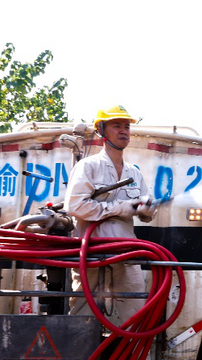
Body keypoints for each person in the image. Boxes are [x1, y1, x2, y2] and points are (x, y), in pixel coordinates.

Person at [64, 105, 156, 325]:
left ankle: (130, 357)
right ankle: (82, 358)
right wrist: (120, 208)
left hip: (125, 253)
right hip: (91, 253)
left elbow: (146, 213)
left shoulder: (134, 173)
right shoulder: (89, 167)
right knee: (83, 315)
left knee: (134, 313)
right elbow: (75, 206)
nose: (124, 131)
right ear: (101, 130)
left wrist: (147, 209)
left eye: (126, 126)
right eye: (117, 126)